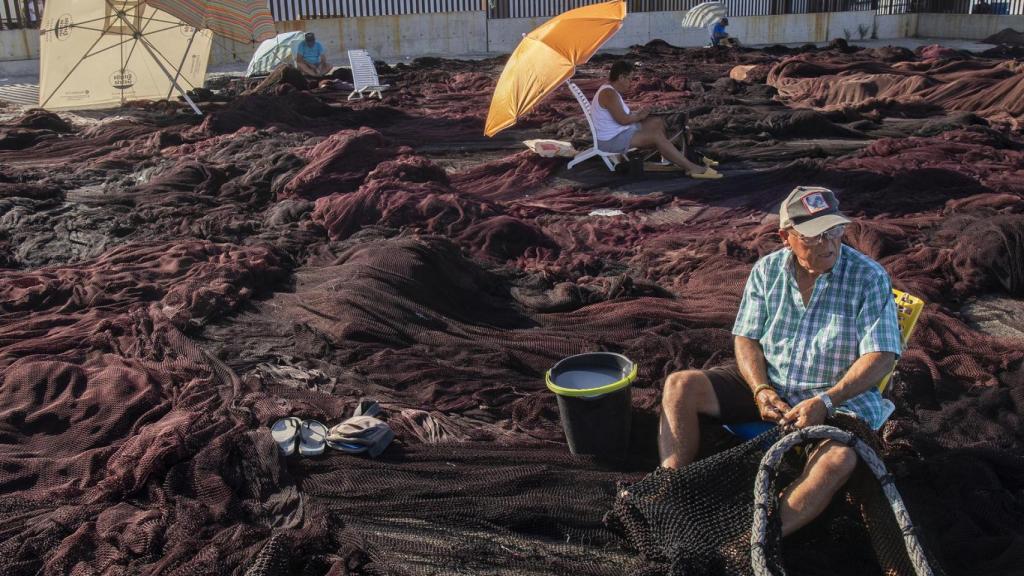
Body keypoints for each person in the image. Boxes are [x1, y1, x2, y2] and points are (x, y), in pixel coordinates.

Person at [658, 186, 902, 537]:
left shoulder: (869, 277)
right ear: (786, 237)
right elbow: (746, 337)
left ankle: (757, 539)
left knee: (839, 459)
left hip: (835, 396)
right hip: (773, 383)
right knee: (680, 385)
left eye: (834, 231)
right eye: (814, 236)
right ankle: (668, 486)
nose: (829, 244)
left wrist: (826, 400)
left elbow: (881, 356)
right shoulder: (767, 270)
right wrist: (760, 388)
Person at [594, 61, 721, 179]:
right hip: (611, 140)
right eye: (630, 79)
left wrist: (639, 114)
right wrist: (639, 116)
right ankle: (691, 168)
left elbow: (620, 116)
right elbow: (623, 120)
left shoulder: (610, 90)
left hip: (619, 132)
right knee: (656, 136)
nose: (631, 83)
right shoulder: (609, 93)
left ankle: (673, 155)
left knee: (658, 122)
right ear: (621, 77)